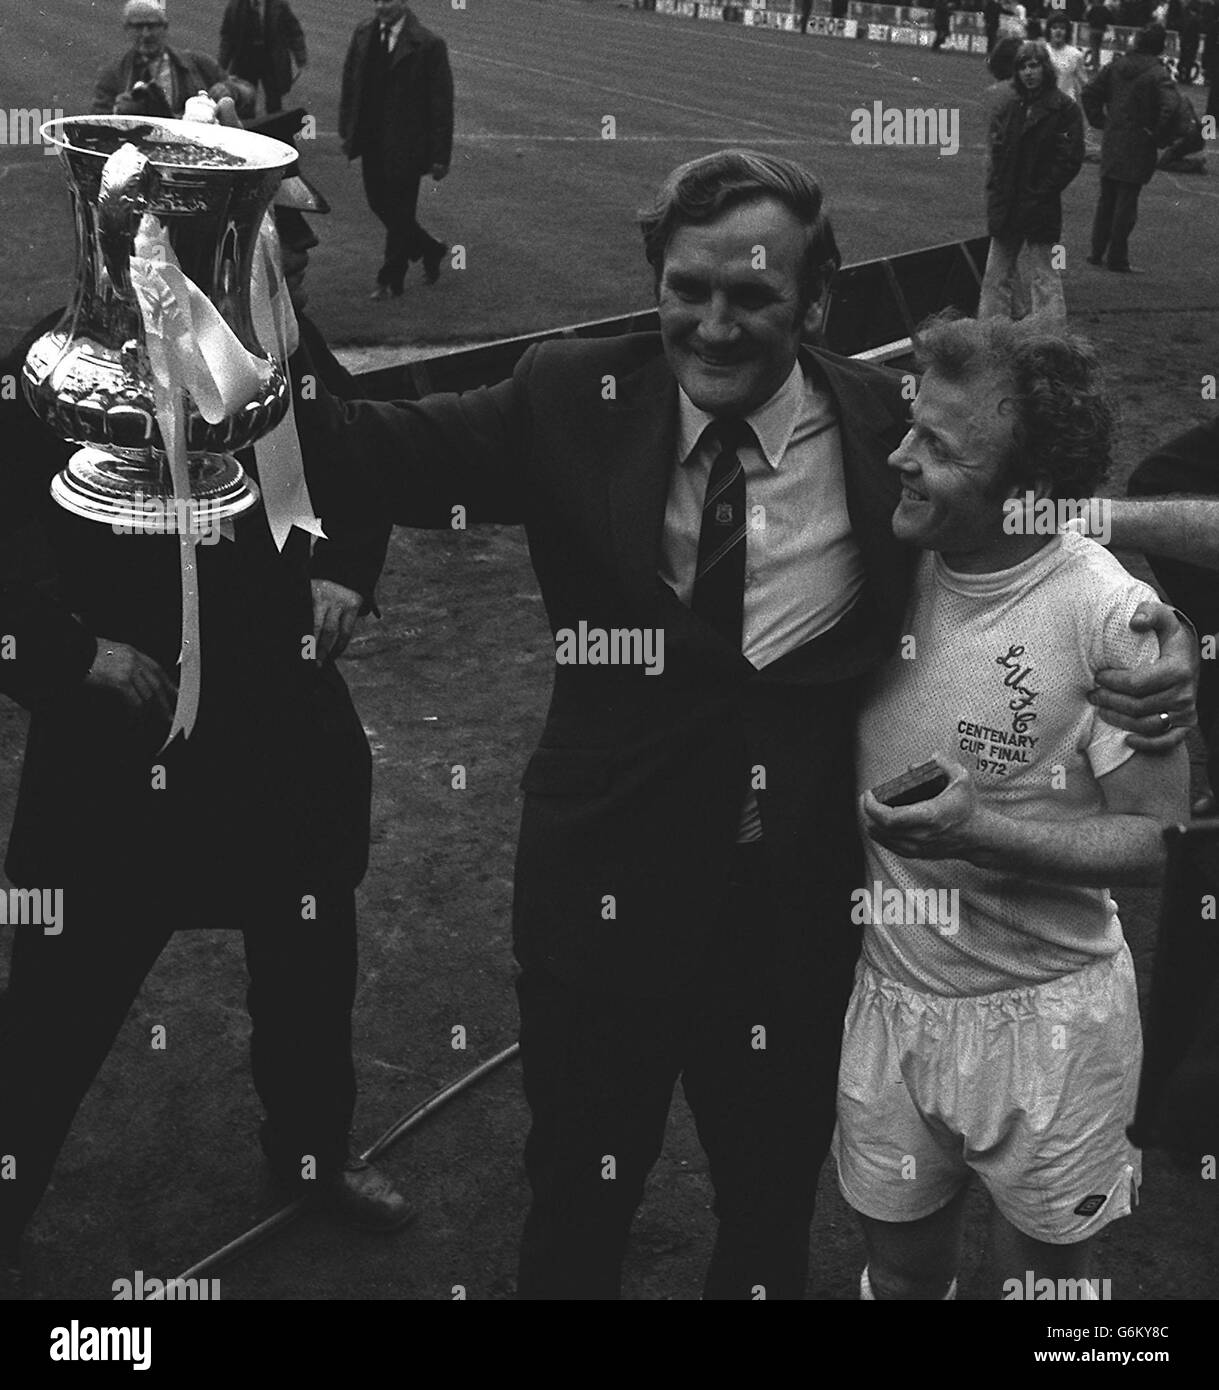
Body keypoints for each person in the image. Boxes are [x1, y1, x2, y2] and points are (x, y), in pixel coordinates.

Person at [290, 148, 1197, 1299]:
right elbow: (361, 453)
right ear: (656, 280)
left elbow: (1019, 513)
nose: (714, 327)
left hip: (793, 920)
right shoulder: (570, 390)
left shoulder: (884, 428)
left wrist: (1135, 622)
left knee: (766, 1204)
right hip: (601, 891)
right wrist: (240, 314)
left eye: (755, 296)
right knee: (577, 1191)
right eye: (687, 289)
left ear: (814, 301)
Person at [0, 107, 404, 1302]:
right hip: (117, 752)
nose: (300, 250)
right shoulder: (53, 366)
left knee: (307, 961)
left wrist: (346, 570)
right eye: (280, 229)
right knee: (57, 1004)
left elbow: (362, 463)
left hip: (276, 736)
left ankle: (314, 1156)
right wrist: (63, 660)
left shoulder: (277, 354)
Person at [836, 314, 1190, 1300]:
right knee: (899, 1270)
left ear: (1027, 495)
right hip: (892, 997)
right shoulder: (890, 544)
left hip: (1049, 1024)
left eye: (940, 450)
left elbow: (1158, 841)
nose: (901, 458)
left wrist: (980, 832)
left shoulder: (1106, 617)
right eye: (912, 426)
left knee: (1043, 1293)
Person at [339, 0, 453, 301]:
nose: (380, 7)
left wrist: (440, 155)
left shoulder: (428, 44)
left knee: (400, 209)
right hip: (371, 138)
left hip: (408, 144)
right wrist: (346, 129)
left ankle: (391, 280)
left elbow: (441, 103)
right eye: (376, 1)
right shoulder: (363, 33)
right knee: (379, 203)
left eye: (387, 1)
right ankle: (430, 248)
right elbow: (350, 83)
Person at [978, 41, 1084, 320]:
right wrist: (997, 190)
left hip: (1040, 204)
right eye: (1023, 66)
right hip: (1008, 202)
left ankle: (1050, 341)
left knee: (1045, 278)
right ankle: (993, 337)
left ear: (1045, 69)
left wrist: (1040, 191)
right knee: (995, 277)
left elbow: (1070, 160)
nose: (1028, 72)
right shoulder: (1010, 106)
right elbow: (997, 154)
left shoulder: (1065, 108)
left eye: (1034, 65)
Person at [1082, 23, 1179, 272]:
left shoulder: (1116, 65)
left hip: (1114, 140)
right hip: (1138, 143)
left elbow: (1090, 92)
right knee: (1126, 203)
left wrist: (1100, 120)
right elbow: (1172, 107)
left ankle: (1096, 252)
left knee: (1107, 199)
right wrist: (1158, 136)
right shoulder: (1158, 73)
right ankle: (1117, 258)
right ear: (1160, 46)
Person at [93, 0, 226, 118]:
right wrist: (119, 112)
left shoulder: (198, 62)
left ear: (165, 27)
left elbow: (243, 90)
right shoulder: (113, 74)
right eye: (138, 27)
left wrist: (229, 89)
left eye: (152, 26)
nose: (146, 34)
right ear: (127, 29)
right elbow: (98, 119)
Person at [219, 0, 308, 116]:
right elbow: (227, 36)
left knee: (274, 100)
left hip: (271, 60)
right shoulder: (235, 6)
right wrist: (221, 65)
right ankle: (248, 128)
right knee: (245, 101)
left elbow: (294, 31)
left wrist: (300, 58)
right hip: (245, 60)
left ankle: (274, 127)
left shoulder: (279, 4)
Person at [1047, 13, 1089, 103]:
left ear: (1067, 31)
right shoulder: (1042, 51)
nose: (1058, 31)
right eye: (1054, 27)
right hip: (1045, 103)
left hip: (1067, 104)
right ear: (1049, 30)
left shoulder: (1075, 54)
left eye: (1062, 28)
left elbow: (1083, 82)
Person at [1085, 0, 1113, 67]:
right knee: (1097, 48)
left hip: (1093, 30)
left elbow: (1087, 17)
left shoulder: (1093, 8)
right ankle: (1093, 61)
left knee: (1094, 48)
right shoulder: (1106, 9)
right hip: (1101, 31)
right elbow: (1110, 19)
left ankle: (1095, 65)